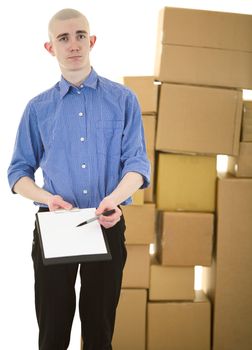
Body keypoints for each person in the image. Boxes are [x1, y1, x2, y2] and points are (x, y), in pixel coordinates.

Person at [7, 8, 150, 350]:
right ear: (50, 47)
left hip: (107, 221)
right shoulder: (38, 108)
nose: (73, 44)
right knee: (53, 331)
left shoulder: (123, 100)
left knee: (99, 331)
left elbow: (138, 164)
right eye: (63, 38)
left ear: (92, 41)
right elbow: (17, 174)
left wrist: (113, 199)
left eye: (80, 35)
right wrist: (46, 198)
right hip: (56, 225)